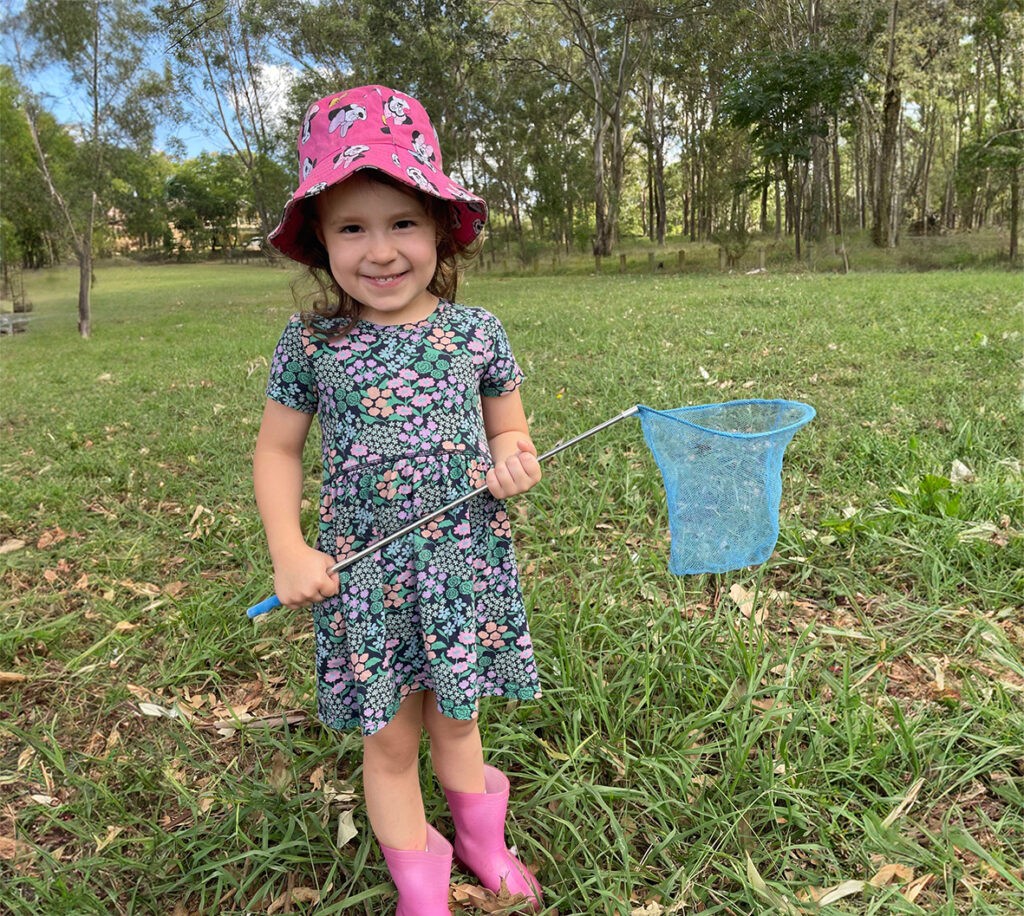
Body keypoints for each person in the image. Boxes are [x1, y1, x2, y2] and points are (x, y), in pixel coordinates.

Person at [253, 85, 545, 914]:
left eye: (402, 223)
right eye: (352, 228)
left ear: (440, 229)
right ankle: (422, 882)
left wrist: (513, 460)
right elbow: (276, 449)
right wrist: (288, 549)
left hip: (459, 565)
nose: (380, 252)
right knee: (389, 738)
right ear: (319, 239)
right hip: (366, 576)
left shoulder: (476, 332)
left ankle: (484, 844)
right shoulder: (312, 343)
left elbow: (511, 432)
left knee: (457, 721)